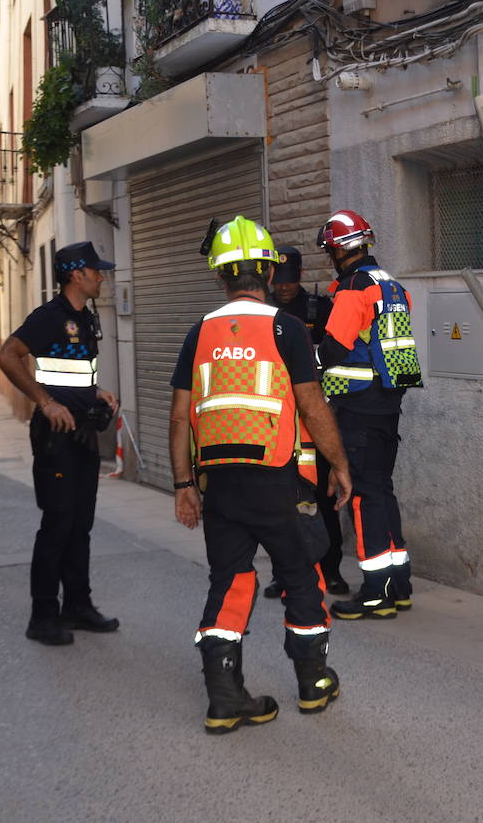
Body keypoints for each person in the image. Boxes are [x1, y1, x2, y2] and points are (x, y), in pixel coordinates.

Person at [169, 215, 352, 734]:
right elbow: (312, 406)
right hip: (281, 481)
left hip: (220, 485)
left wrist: (184, 485)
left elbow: (181, 415)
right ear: (270, 270)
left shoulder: (198, 333)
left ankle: (225, 698)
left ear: (220, 275)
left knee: (230, 581)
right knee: (300, 576)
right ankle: (314, 685)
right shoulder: (286, 329)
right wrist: (340, 465)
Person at [0, 241, 121, 646]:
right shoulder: (48, 318)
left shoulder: (87, 318)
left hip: (83, 433)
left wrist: (95, 391)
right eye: (96, 271)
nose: (102, 276)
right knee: (57, 524)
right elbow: (8, 357)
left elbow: (70, 371)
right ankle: (43, 615)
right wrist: (45, 402)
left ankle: (78, 606)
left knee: (81, 524)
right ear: (76, 274)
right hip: (56, 438)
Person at [316, 209, 423, 620]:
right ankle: (399, 586)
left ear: (339, 250)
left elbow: (335, 349)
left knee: (363, 495)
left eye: (329, 250)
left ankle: (376, 593)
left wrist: (304, 357)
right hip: (388, 403)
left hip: (356, 404)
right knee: (382, 490)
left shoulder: (354, 290)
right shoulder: (393, 287)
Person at [262, 245, 348, 597]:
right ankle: (283, 573)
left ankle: (331, 570)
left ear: (299, 274)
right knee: (281, 501)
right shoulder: (262, 312)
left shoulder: (320, 309)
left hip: (314, 418)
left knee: (324, 498)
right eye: (278, 281)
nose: (283, 287)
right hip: (277, 422)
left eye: (289, 280)